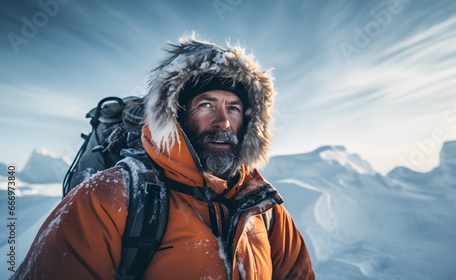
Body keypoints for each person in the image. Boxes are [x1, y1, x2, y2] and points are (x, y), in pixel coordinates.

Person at [12, 35, 315, 279]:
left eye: (233, 108)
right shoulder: (107, 199)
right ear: (176, 116)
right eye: (207, 105)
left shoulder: (262, 206)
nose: (223, 121)